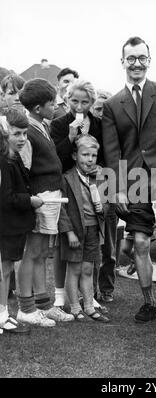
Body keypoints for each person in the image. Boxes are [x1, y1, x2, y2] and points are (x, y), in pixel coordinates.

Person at [102, 36, 156, 322]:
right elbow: (112, 151)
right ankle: (149, 302)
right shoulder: (113, 104)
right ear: (122, 62)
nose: (136, 63)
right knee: (140, 243)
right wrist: (115, 189)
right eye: (131, 58)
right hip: (133, 179)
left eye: (142, 58)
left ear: (149, 61)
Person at [17, 78, 74, 326]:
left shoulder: (41, 125)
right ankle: (26, 309)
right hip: (40, 198)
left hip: (50, 196)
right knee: (33, 252)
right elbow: (24, 170)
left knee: (41, 253)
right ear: (39, 107)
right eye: (52, 103)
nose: (55, 106)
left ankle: (43, 305)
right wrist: (32, 199)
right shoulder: (28, 131)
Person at [50, 80, 106, 311]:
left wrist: (99, 168)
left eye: (85, 102)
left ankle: (89, 295)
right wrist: (71, 137)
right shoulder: (59, 124)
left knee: (92, 247)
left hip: (94, 185)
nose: (79, 106)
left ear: (92, 103)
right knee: (66, 246)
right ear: (66, 100)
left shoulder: (99, 124)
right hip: (68, 184)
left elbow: (103, 153)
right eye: (75, 101)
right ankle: (61, 294)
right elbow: (57, 158)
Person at [59, 135, 109, 322]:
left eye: (93, 155)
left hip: (94, 228)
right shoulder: (67, 178)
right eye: (85, 154)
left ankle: (89, 306)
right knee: (73, 269)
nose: (89, 159)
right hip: (75, 230)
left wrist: (102, 205)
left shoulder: (100, 177)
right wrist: (69, 232)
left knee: (88, 269)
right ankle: (74, 307)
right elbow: (62, 209)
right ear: (74, 155)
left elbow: (107, 204)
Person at [0, 110, 39, 334]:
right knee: (4, 271)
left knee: (6, 270)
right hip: (6, 225)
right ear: (6, 135)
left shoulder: (13, 158)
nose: (22, 138)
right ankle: (3, 315)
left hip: (13, 226)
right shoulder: (5, 162)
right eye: (16, 133)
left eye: (25, 133)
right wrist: (31, 201)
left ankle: (4, 314)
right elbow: (6, 198)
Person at [91, 89, 118, 303]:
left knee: (108, 243)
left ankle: (106, 288)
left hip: (110, 187)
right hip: (87, 188)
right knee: (90, 243)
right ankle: (88, 289)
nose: (102, 113)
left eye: (105, 109)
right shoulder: (86, 130)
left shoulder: (117, 131)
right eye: (99, 108)